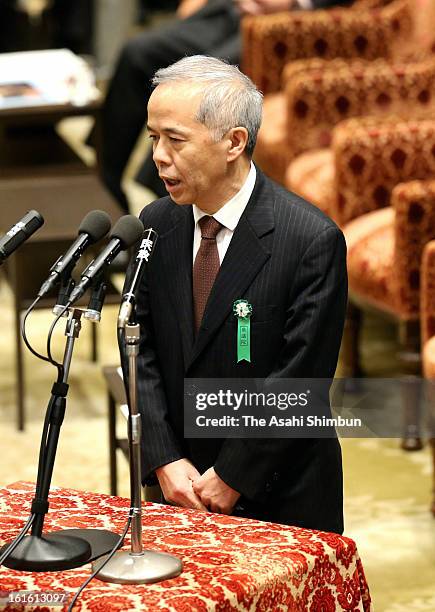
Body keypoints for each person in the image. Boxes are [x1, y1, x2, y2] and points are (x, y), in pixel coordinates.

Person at [125, 55, 347, 532]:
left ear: (234, 142)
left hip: (279, 492)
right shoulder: (154, 225)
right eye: (153, 138)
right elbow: (137, 349)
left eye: (175, 140)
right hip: (175, 488)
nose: (159, 157)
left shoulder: (309, 240)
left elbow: (300, 379)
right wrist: (163, 457)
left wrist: (232, 475)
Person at [101, 0, 353, 211]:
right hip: (231, 9)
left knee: (199, 84)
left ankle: (174, 208)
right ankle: (106, 188)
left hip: (289, 22)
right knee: (137, 52)